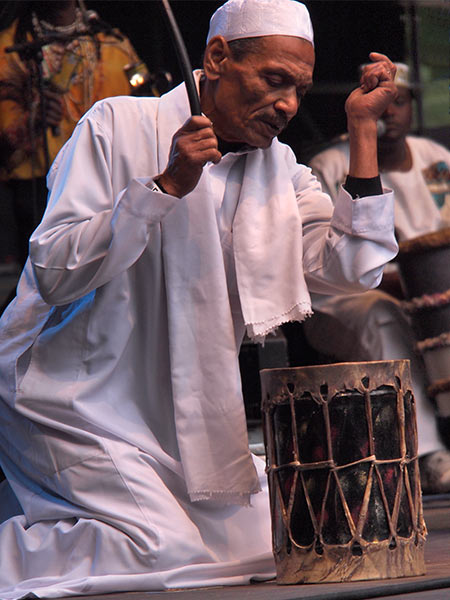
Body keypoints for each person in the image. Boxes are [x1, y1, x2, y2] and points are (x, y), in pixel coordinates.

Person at [0, 0, 399, 597]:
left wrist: (363, 129)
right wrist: (163, 188)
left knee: (279, 540)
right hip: (69, 398)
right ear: (216, 58)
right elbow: (55, 270)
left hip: (179, 414)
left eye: (299, 88)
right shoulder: (116, 125)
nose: (289, 104)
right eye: (274, 80)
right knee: (160, 551)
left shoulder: (281, 167)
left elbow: (350, 268)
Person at [303, 62, 450, 494]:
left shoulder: (436, 159)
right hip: (343, 299)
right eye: (380, 104)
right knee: (384, 315)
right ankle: (425, 455)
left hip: (431, 294)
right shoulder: (327, 164)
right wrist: (414, 289)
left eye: (398, 102)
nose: (389, 113)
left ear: (410, 107)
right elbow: (334, 264)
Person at [0, 0, 150, 273]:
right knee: (46, 276)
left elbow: (144, 90)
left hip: (111, 176)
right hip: (41, 184)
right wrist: (33, 119)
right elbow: (6, 136)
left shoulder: (111, 41)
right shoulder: (11, 47)